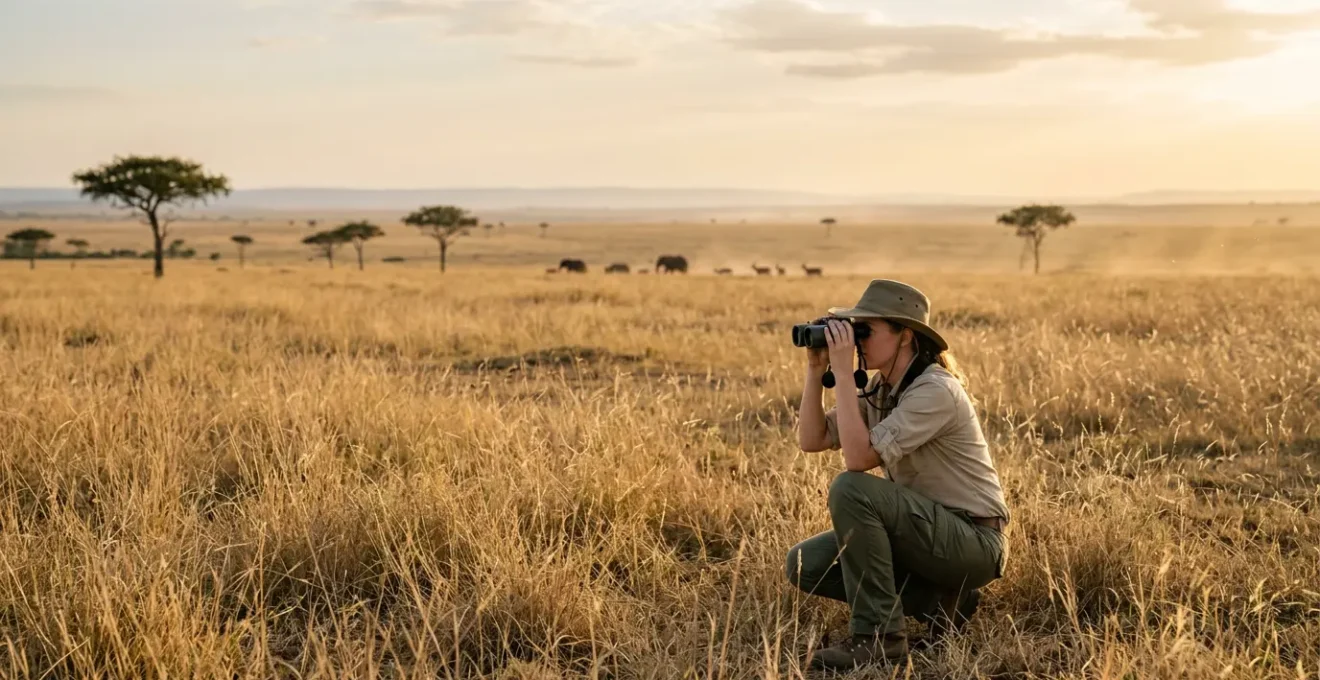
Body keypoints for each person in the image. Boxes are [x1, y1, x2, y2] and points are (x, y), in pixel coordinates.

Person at [788, 279, 1010, 670]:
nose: (856, 342)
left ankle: (879, 638)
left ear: (905, 335)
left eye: (865, 331)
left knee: (851, 488)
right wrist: (815, 368)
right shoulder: (882, 389)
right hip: (924, 534)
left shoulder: (935, 391)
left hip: (972, 541)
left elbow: (857, 461)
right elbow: (812, 439)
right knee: (805, 563)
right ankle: (939, 603)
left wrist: (842, 373)